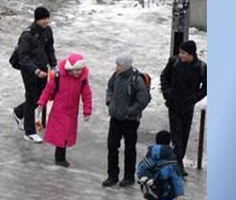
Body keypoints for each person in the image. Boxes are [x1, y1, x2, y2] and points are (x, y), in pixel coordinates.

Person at [159, 40, 207, 176]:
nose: (180, 55)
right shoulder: (174, 62)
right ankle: (177, 162)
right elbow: (164, 76)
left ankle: (178, 160)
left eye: (183, 53)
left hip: (187, 106)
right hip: (173, 104)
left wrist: (194, 98)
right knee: (177, 134)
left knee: (184, 134)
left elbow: (206, 87)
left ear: (191, 54)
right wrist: (167, 93)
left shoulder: (201, 67)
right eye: (180, 52)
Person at [37, 52, 92, 167]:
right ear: (70, 69)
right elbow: (48, 90)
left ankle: (61, 156)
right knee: (61, 133)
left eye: (80, 70)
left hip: (72, 111)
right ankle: (60, 157)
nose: (78, 72)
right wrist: (42, 102)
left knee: (67, 133)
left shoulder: (82, 80)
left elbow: (87, 95)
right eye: (76, 70)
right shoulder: (59, 76)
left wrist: (87, 111)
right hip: (59, 110)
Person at [103, 55, 151, 187]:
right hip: (115, 118)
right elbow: (110, 88)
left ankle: (129, 176)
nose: (116, 67)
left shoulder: (136, 80)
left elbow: (143, 100)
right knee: (112, 146)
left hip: (130, 120)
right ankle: (112, 175)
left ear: (126, 66)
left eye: (118, 65)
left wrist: (129, 111)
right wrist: (110, 101)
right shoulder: (116, 76)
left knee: (130, 148)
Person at [12, 7, 57, 143]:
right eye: (43, 19)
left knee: (39, 97)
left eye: (47, 18)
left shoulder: (47, 31)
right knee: (32, 98)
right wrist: (36, 71)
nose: (46, 21)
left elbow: (50, 49)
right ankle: (29, 131)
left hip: (43, 69)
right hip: (30, 71)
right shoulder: (27, 35)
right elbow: (23, 58)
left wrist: (53, 65)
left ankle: (19, 112)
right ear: (37, 19)